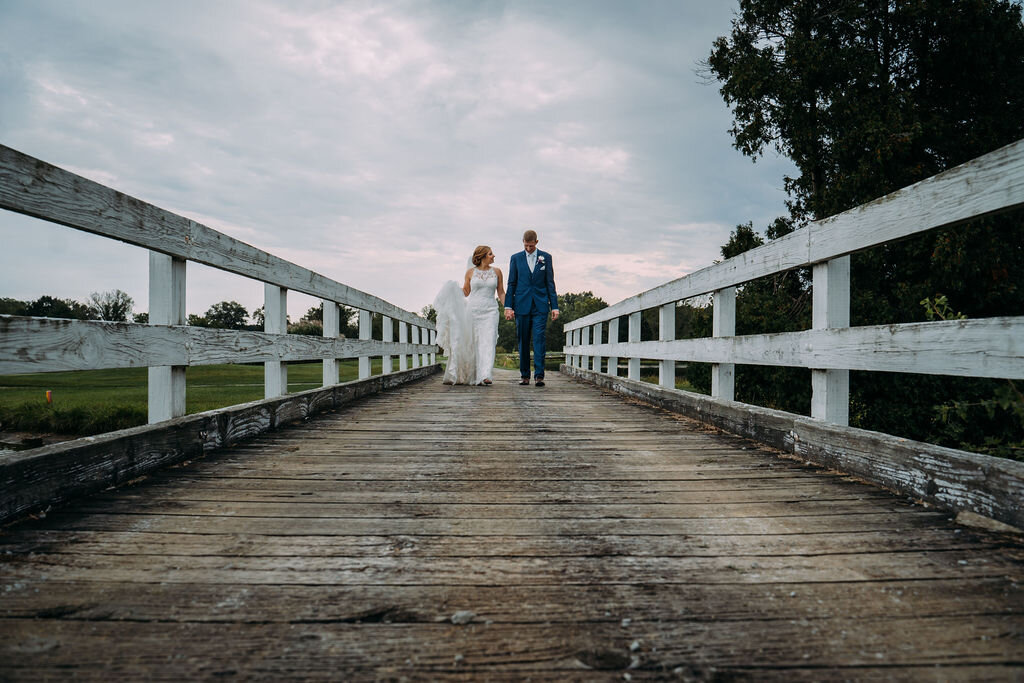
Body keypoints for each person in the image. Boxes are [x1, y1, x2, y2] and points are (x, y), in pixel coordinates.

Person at [433, 245, 505, 385]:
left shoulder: (497, 272)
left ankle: (486, 375)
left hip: (491, 311)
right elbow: (466, 292)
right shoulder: (470, 273)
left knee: (488, 341)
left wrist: (508, 307)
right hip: (472, 311)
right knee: (473, 342)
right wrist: (453, 290)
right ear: (483, 256)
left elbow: (501, 292)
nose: (494, 256)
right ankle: (473, 373)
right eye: (491, 254)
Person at [504, 229, 559, 386]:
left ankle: (539, 376)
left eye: (531, 246)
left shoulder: (546, 258)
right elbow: (511, 283)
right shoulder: (515, 258)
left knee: (539, 339)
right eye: (526, 245)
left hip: (540, 305)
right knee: (523, 341)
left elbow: (550, 283)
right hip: (521, 305)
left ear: (536, 242)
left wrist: (554, 306)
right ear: (523, 242)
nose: (528, 249)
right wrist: (509, 306)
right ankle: (525, 375)